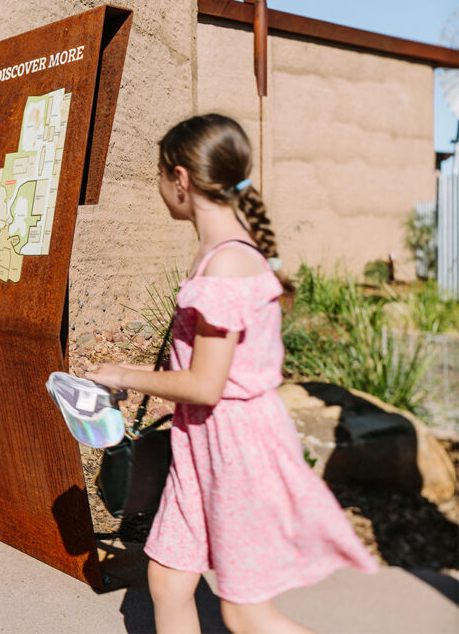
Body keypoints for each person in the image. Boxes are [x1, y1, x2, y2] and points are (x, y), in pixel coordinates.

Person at [90, 114, 377, 634]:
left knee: (246, 614)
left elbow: (206, 385)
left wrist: (125, 375)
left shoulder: (226, 265)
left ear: (180, 179)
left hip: (237, 450)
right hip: (201, 442)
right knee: (169, 581)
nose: (159, 187)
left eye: (159, 176)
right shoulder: (217, 255)